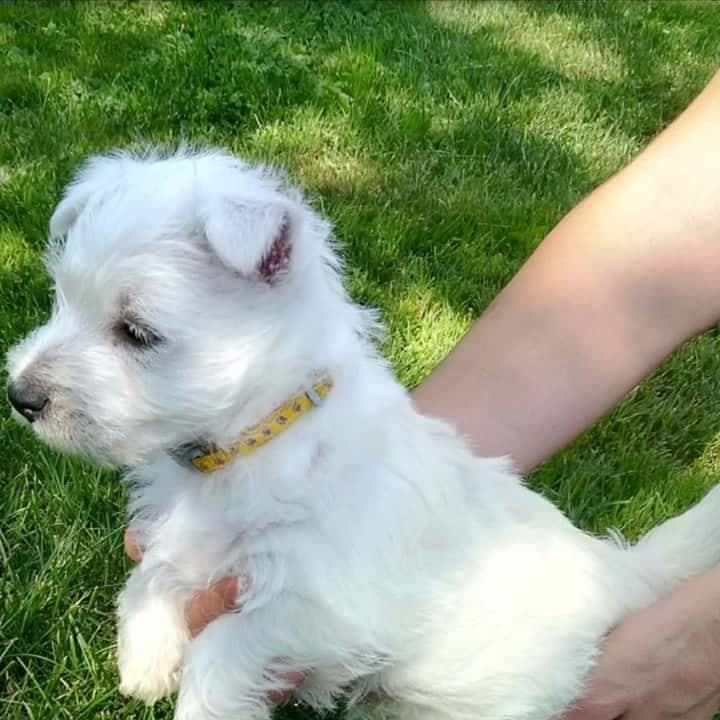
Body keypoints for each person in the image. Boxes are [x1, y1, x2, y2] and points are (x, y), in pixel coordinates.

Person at [125, 68, 720, 719]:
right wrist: (392, 466)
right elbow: (685, 207)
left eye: (134, 334)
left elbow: (320, 612)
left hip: (532, 656)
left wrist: (705, 631)